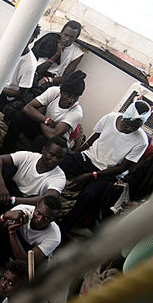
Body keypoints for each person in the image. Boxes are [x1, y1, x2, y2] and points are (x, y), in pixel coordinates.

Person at [58, 101, 151, 236]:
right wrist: (76, 153)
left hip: (109, 173)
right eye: (128, 124)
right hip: (89, 157)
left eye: (135, 126)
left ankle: (62, 230)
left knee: (89, 195)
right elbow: (92, 139)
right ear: (125, 116)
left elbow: (122, 167)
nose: (130, 128)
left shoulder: (141, 141)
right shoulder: (110, 118)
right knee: (61, 164)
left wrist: (92, 175)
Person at [2, 70, 86, 153]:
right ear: (61, 91)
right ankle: (5, 151)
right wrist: (46, 120)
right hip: (44, 128)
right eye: (68, 95)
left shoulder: (77, 112)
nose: (70, 100)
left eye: (75, 97)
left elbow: (52, 135)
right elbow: (27, 108)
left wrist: (40, 116)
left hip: (57, 139)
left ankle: (29, 164)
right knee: (18, 116)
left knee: (41, 140)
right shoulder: (54, 91)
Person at [0, 195, 62, 267]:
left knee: (34, 271)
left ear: (53, 219)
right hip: (18, 239)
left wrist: (12, 232)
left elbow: (28, 264)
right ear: (36, 207)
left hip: (30, 251)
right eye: (39, 213)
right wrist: (5, 216)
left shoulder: (54, 236)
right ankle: (0, 258)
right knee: (3, 226)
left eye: (47, 218)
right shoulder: (22, 209)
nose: (40, 219)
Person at [0, 26, 40, 109]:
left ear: (31, 40)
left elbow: (21, 93)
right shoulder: (7, 48)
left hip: (6, 95)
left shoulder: (30, 64)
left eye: (26, 36)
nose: (21, 38)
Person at [35, 21, 85, 86]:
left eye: (72, 37)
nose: (67, 39)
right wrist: (57, 54)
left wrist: (48, 79)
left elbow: (65, 78)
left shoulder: (77, 53)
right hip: (38, 72)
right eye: (66, 35)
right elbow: (39, 70)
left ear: (76, 38)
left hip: (52, 80)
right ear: (61, 32)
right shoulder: (51, 40)